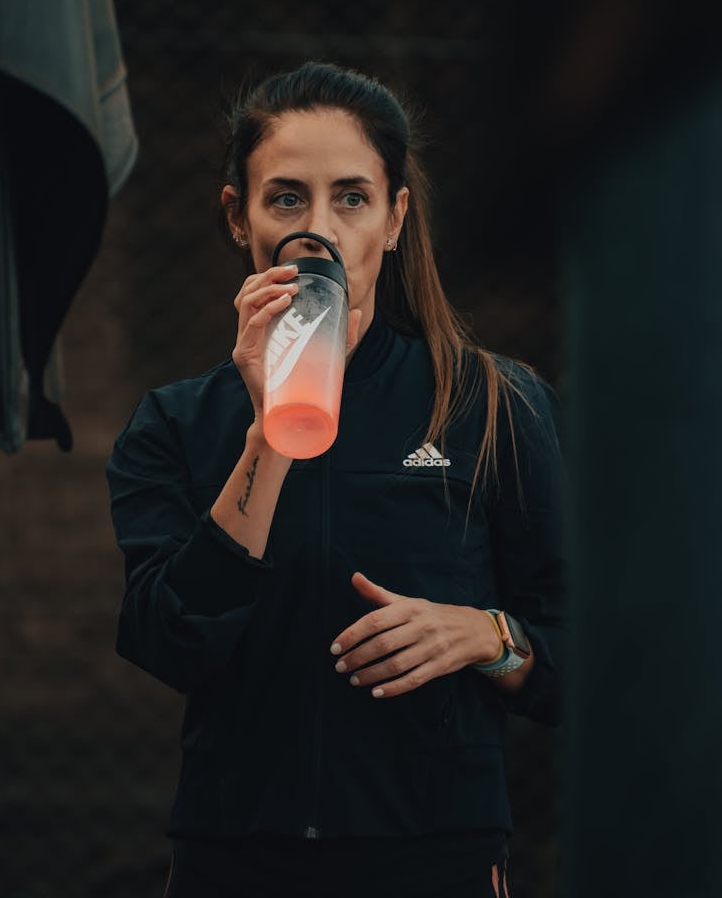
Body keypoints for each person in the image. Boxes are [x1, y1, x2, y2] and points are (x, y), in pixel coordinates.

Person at [107, 61, 567, 898]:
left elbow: (585, 655)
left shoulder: (493, 404)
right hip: (236, 856)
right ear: (239, 221)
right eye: (285, 198)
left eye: (351, 197)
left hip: (435, 853)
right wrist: (272, 430)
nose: (318, 228)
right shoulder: (174, 424)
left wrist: (488, 635)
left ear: (393, 219)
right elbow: (167, 643)